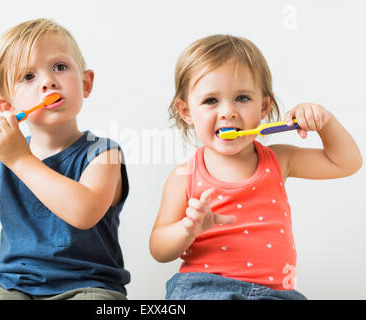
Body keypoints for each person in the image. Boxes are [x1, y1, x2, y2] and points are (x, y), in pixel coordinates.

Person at [0, 18, 130, 300]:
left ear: (86, 83)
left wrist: (20, 159)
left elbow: (83, 213)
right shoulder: (2, 158)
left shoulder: (104, 153)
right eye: (28, 77)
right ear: (8, 107)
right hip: (13, 285)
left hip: (89, 285)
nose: (48, 81)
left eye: (59, 67)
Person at [149, 34, 362, 300]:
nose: (228, 111)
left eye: (242, 98)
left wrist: (325, 122)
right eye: (211, 100)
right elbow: (158, 249)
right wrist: (187, 229)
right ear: (186, 111)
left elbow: (347, 163)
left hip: (276, 294)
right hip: (205, 287)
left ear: (264, 107)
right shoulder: (184, 176)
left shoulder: (280, 161)